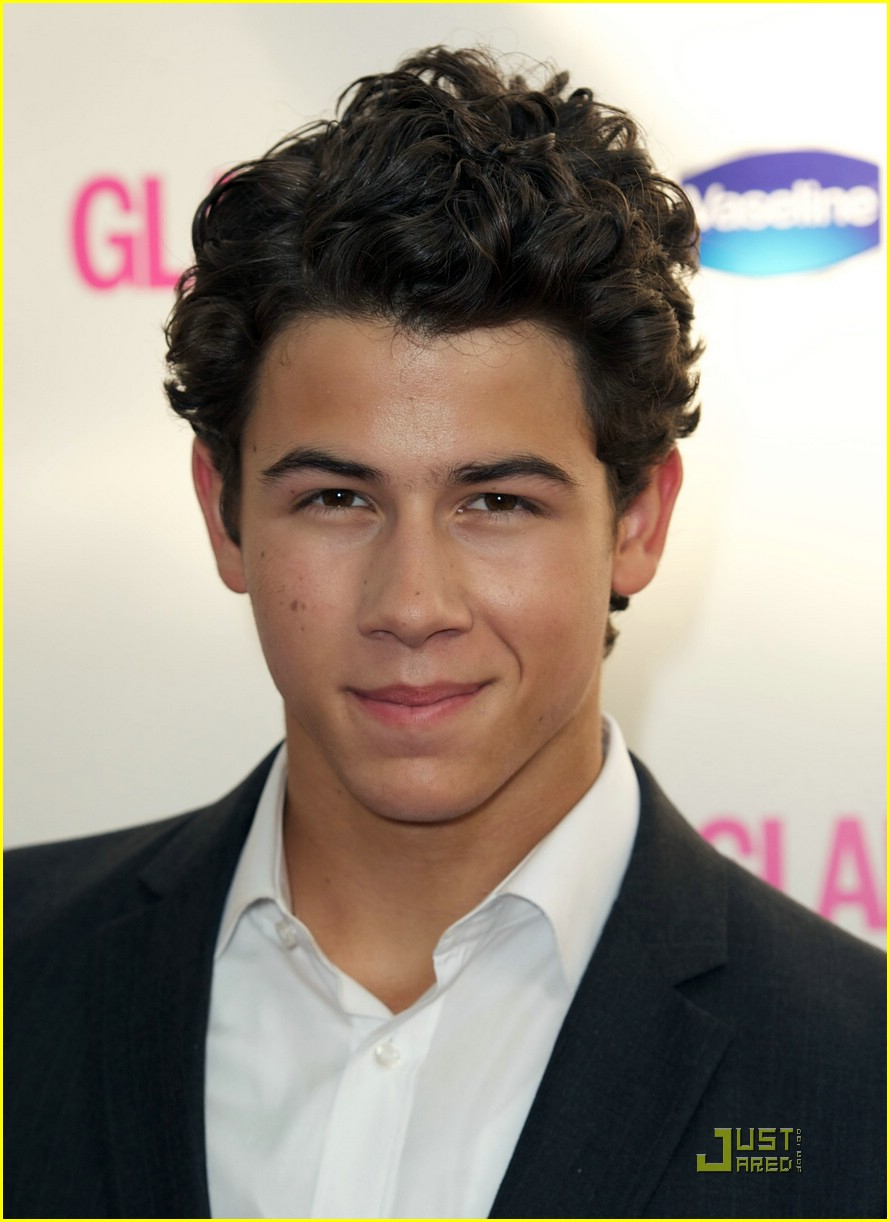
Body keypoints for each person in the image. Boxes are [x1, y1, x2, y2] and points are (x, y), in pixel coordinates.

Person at [5, 46, 884, 1221]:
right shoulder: (18, 967)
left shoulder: (859, 1074)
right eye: (336, 498)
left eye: (496, 503)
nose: (413, 603)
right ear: (223, 514)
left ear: (636, 521)